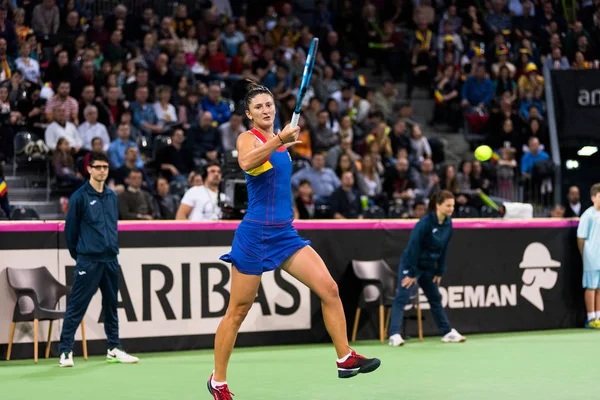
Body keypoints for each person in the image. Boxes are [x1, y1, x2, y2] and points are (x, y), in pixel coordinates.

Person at [208, 82, 380, 399]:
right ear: (248, 113)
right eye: (258, 106)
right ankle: (218, 380)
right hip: (255, 235)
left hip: (284, 234)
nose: (265, 109)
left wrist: (281, 142)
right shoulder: (249, 138)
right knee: (238, 311)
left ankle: (344, 357)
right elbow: (246, 164)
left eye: (269, 104)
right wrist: (278, 140)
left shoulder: (283, 142)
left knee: (329, 288)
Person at [58, 152, 139, 367]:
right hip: (88, 261)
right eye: (98, 167)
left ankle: (114, 347)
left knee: (111, 305)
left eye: (105, 167)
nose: (102, 170)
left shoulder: (113, 197)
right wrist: (83, 255)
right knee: (77, 305)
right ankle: (65, 350)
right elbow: (70, 232)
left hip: (111, 259)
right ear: (89, 169)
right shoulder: (79, 197)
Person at [388, 190, 467, 346]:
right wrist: (411, 272)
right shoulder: (424, 224)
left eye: (453, 206)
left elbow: (444, 249)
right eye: (448, 205)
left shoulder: (448, 224)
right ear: (438, 205)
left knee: (435, 298)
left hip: (428, 267)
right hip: (412, 264)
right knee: (402, 297)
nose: (451, 209)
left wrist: (439, 271)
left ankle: (447, 332)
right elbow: (413, 248)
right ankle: (394, 335)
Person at [576, 183, 600, 329]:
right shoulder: (587, 215)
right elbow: (581, 238)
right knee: (591, 287)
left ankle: (598, 316)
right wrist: (585, 255)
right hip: (591, 257)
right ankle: (591, 318)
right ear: (593, 198)